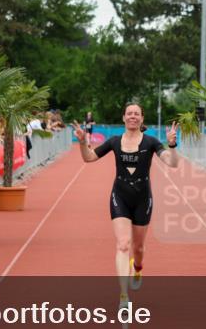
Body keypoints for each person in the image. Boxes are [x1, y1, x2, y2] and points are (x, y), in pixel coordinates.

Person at [73, 103, 179, 304]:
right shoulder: (114, 141)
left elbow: (172, 163)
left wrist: (172, 145)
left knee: (138, 248)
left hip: (142, 198)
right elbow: (89, 158)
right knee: (123, 244)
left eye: (136, 114)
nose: (132, 116)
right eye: (129, 113)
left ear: (141, 118)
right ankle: (123, 296)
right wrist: (81, 142)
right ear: (123, 118)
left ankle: (138, 268)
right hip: (120, 195)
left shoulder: (151, 142)